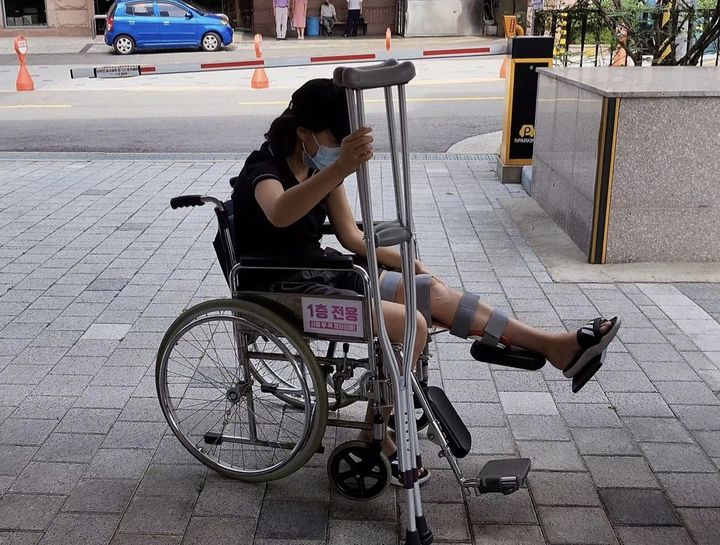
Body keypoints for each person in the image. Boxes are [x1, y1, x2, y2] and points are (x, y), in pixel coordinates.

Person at [230, 78, 621, 485]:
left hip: (328, 274)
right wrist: (341, 167)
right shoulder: (264, 170)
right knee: (413, 324)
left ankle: (553, 346)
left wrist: (410, 263)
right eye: (335, 139)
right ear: (304, 132)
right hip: (282, 290)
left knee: (431, 292)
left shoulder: (320, 168)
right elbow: (278, 212)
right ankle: (376, 431)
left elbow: (352, 237)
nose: (338, 149)